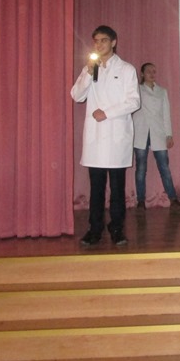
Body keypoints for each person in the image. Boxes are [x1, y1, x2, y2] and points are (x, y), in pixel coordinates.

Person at [71, 25, 140, 246]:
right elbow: (76, 96)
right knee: (96, 189)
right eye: (96, 41)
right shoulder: (90, 69)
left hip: (116, 137)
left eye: (103, 40)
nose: (99, 44)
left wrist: (107, 113)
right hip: (95, 139)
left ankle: (117, 229)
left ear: (113, 42)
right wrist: (88, 72)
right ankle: (95, 229)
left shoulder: (126, 69)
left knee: (117, 189)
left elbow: (134, 102)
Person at [132, 62, 180, 216]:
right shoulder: (136, 90)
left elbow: (166, 114)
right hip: (141, 131)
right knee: (141, 168)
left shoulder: (162, 91)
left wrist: (169, 134)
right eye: (148, 71)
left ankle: (173, 198)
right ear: (142, 74)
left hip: (158, 132)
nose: (152, 74)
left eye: (154, 71)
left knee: (164, 167)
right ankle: (141, 201)